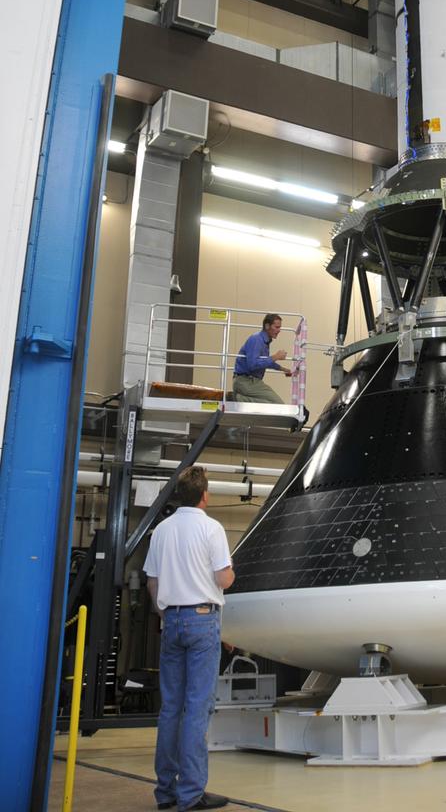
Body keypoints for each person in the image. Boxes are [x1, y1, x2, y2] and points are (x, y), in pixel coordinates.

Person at [144, 466, 234, 812]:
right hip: (201, 620)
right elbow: (223, 580)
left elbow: (152, 582)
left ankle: (166, 792)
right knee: (197, 708)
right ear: (205, 496)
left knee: (170, 709)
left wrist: (165, 614)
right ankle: (191, 794)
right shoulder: (212, 528)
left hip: (172, 622)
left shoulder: (162, 531)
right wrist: (231, 570)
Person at [230, 312, 292, 404]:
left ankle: (241, 399)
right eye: (277, 327)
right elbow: (253, 364)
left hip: (250, 381)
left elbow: (263, 361)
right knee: (278, 405)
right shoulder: (257, 339)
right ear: (267, 326)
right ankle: (239, 399)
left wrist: (283, 369)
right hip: (246, 381)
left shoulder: (264, 341)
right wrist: (275, 357)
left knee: (272, 404)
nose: (279, 330)